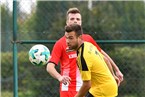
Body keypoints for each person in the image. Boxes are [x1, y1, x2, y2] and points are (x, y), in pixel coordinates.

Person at [46, 7, 123, 97]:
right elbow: (49, 67)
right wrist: (60, 77)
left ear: (81, 22)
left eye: (78, 19)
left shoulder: (88, 40)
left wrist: (116, 70)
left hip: (88, 87)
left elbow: (104, 57)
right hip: (69, 88)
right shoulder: (60, 43)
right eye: (72, 19)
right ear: (67, 22)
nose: (75, 21)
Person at [64, 23, 118, 97]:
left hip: (102, 92)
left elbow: (87, 84)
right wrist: (113, 76)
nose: (67, 41)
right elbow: (106, 60)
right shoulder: (88, 45)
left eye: (71, 38)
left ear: (79, 37)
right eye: (66, 38)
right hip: (109, 87)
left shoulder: (82, 57)